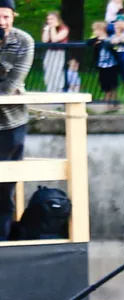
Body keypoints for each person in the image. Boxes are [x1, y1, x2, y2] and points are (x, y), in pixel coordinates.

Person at [0, 0, 34, 241]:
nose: (2, 23)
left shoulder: (23, 41)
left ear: (13, 16)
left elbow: (11, 85)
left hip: (11, 123)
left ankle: (3, 240)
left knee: (4, 189)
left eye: (6, 17)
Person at [40, 11, 68, 93]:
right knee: (48, 69)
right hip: (50, 52)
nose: (49, 21)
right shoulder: (48, 28)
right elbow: (45, 40)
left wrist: (52, 28)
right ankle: (49, 89)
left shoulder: (64, 29)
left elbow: (55, 39)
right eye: (48, 19)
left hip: (59, 52)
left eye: (52, 19)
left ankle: (58, 90)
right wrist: (46, 30)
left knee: (57, 70)